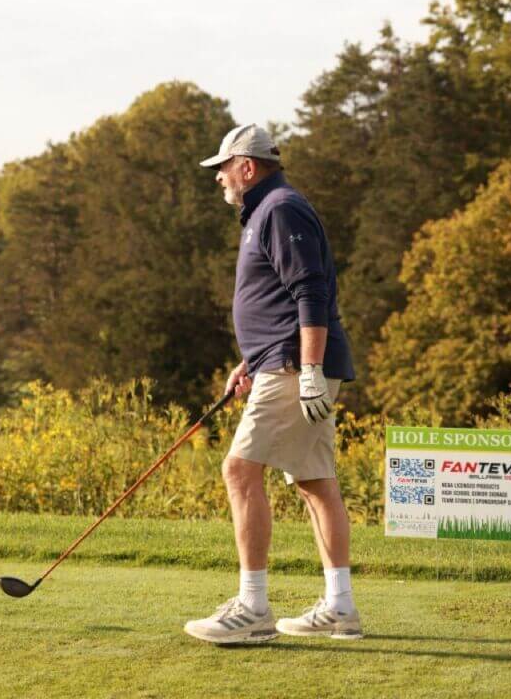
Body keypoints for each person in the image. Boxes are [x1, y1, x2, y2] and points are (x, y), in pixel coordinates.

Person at [184, 123, 362, 645]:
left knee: (239, 471)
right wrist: (252, 360)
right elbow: (279, 299)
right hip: (281, 362)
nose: (218, 178)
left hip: (294, 367)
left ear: (247, 166)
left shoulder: (279, 208)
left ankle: (253, 608)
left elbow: (310, 292)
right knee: (314, 481)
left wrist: (308, 371)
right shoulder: (266, 211)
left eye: (223, 168)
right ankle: (340, 607)